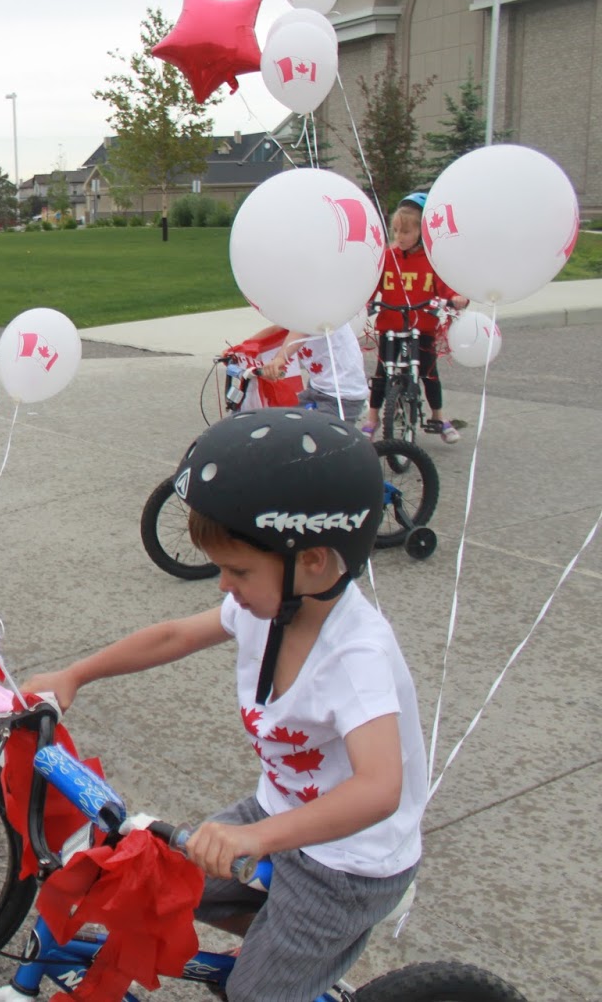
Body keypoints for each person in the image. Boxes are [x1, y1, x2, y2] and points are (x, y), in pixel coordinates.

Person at [23, 408, 425, 1002]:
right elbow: (175, 636)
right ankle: (284, 949)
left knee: (251, 994)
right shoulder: (272, 603)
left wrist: (254, 842)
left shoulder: (355, 654)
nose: (223, 585)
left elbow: (379, 788)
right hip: (275, 813)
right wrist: (75, 674)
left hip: (347, 863)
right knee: (150, 882)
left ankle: (291, 961)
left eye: (237, 569)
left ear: (312, 560)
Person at [364, 192, 470, 442]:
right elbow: (371, 285)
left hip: (422, 327)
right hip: (389, 325)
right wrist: (365, 300)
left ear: (420, 233)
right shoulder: (388, 258)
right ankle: (371, 418)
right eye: (397, 231)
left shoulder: (431, 261)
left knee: (428, 372)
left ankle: (438, 416)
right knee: (381, 374)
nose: (400, 237)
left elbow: (445, 287)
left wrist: (456, 297)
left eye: (406, 232)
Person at [256, 322, 367, 423]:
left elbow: (303, 328)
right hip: (317, 388)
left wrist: (280, 357)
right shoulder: (298, 316)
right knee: (284, 423)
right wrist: (245, 347)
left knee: (324, 439)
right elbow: (278, 329)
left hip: (342, 394)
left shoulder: (317, 310)